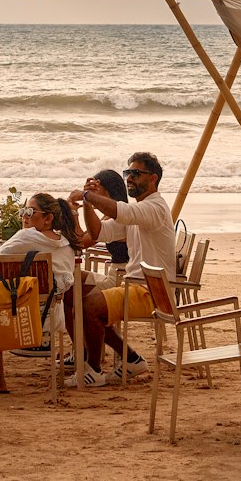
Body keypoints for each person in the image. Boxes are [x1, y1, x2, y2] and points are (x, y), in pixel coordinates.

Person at [65, 150, 176, 388]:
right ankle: (131, 359)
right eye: (128, 173)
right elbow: (96, 233)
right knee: (84, 300)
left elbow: (120, 211)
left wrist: (87, 195)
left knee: (89, 306)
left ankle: (94, 371)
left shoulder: (154, 208)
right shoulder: (139, 212)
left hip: (153, 293)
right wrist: (87, 203)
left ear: (153, 178)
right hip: (135, 286)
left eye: (136, 173)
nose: (129, 178)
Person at [0, 192, 83, 395]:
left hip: (16, 317)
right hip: (50, 318)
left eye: (30, 212)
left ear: (48, 218)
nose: (24, 216)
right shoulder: (67, 245)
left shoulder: (26, 236)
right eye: (23, 210)